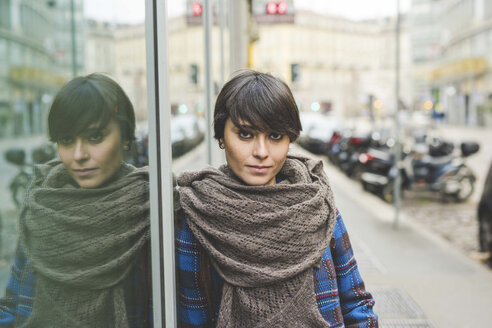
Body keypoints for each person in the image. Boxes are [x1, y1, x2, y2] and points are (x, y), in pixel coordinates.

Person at [176, 70, 378, 327]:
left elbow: (357, 305)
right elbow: (194, 320)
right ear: (221, 137)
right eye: (245, 134)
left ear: (289, 140)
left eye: (275, 136)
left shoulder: (316, 204)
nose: (261, 152)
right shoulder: (200, 215)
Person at [0, 73, 152, 327]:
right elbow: (14, 305)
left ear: (126, 137)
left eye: (95, 137)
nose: (78, 155)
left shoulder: (150, 209)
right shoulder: (42, 206)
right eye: (67, 141)